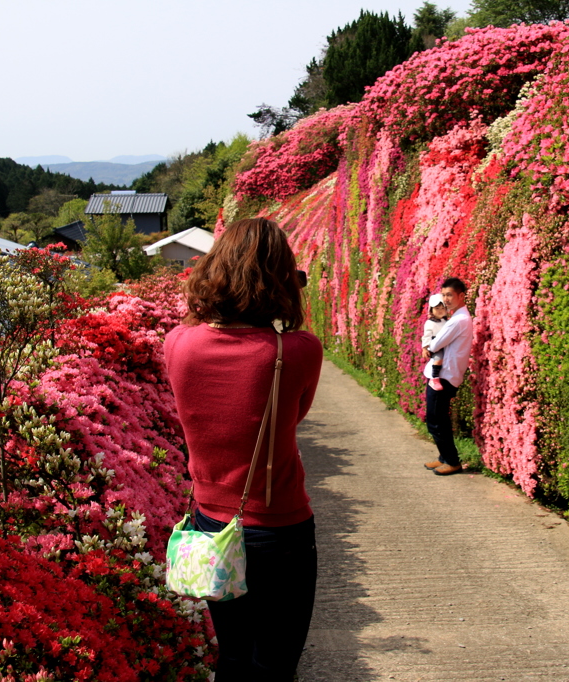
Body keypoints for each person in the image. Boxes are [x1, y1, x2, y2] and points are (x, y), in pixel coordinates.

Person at [164, 217, 322, 681]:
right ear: (281, 279)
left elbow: (200, 326)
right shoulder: (297, 351)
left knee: (233, 657)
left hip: (211, 523)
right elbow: (293, 418)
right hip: (279, 530)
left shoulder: (178, 344)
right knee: (274, 665)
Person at [421, 277, 473, 476]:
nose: (446, 299)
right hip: (445, 374)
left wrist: (430, 345)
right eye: (443, 295)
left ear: (461, 296)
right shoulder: (456, 319)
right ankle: (444, 457)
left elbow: (435, 345)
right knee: (437, 419)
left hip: (445, 376)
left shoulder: (458, 321)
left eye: (450, 295)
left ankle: (452, 461)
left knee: (436, 420)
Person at [421, 293, 448, 391]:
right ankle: (434, 378)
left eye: (442, 308)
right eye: (437, 308)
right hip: (435, 345)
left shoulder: (446, 322)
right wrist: (425, 348)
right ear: (431, 310)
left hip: (445, 343)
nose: (440, 311)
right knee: (439, 358)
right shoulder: (430, 323)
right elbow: (426, 336)